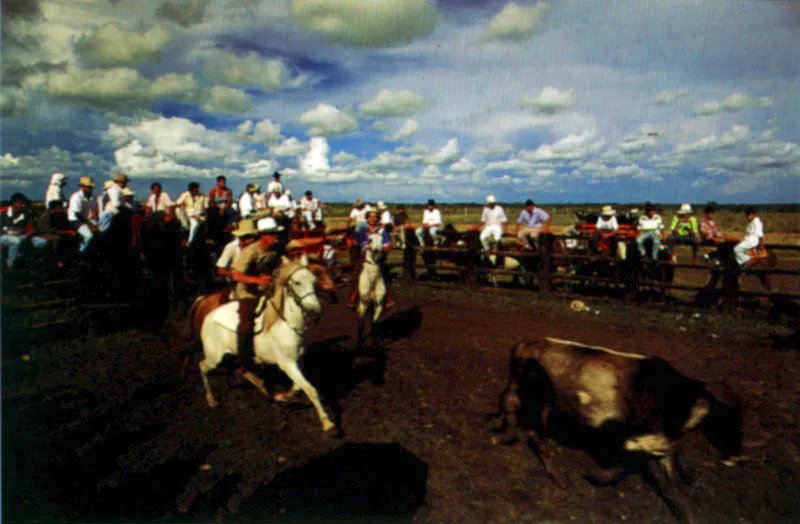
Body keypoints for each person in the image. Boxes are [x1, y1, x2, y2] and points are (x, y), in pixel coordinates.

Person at [230, 217, 285, 373]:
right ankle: (242, 360)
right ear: (263, 236)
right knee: (246, 325)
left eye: (276, 234)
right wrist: (257, 280)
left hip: (268, 289)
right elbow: (236, 275)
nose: (276, 237)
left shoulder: (276, 249)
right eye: (272, 234)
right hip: (248, 292)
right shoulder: (250, 252)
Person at [347, 210, 394, 309]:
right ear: (367, 218)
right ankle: (353, 298)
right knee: (356, 275)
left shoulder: (381, 231)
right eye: (370, 217)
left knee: (385, 277)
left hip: (378, 259)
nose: (372, 219)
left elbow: (387, 245)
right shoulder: (363, 231)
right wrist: (352, 242)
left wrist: (383, 248)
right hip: (365, 258)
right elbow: (356, 242)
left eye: (375, 217)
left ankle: (388, 299)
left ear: (377, 218)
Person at [0, 193, 48, 269]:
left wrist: (29, 234)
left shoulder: (25, 215)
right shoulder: (3, 213)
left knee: (41, 242)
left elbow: (31, 229)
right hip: (4, 236)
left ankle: (24, 259)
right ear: (14, 203)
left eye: (23, 204)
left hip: (22, 237)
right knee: (16, 241)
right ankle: (10, 265)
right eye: (21, 203)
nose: (23, 206)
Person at [67, 176, 98, 253]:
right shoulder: (76, 196)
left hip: (86, 220)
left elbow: (94, 210)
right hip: (75, 220)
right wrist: (90, 225)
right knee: (89, 236)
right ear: (83, 187)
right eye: (88, 187)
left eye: (91, 187)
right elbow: (77, 214)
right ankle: (81, 252)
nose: (90, 189)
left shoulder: (92, 197)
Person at [175, 182, 208, 246]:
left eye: (196, 189)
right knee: (178, 210)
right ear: (190, 190)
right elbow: (177, 204)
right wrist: (182, 205)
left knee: (194, 224)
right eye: (194, 190)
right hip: (187, 215)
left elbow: (206, 207)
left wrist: (200, 213)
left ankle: (189, 242)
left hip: (198, 215)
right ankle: (186, 227)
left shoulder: (202, 196)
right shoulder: (185, 195)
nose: (195, 191)